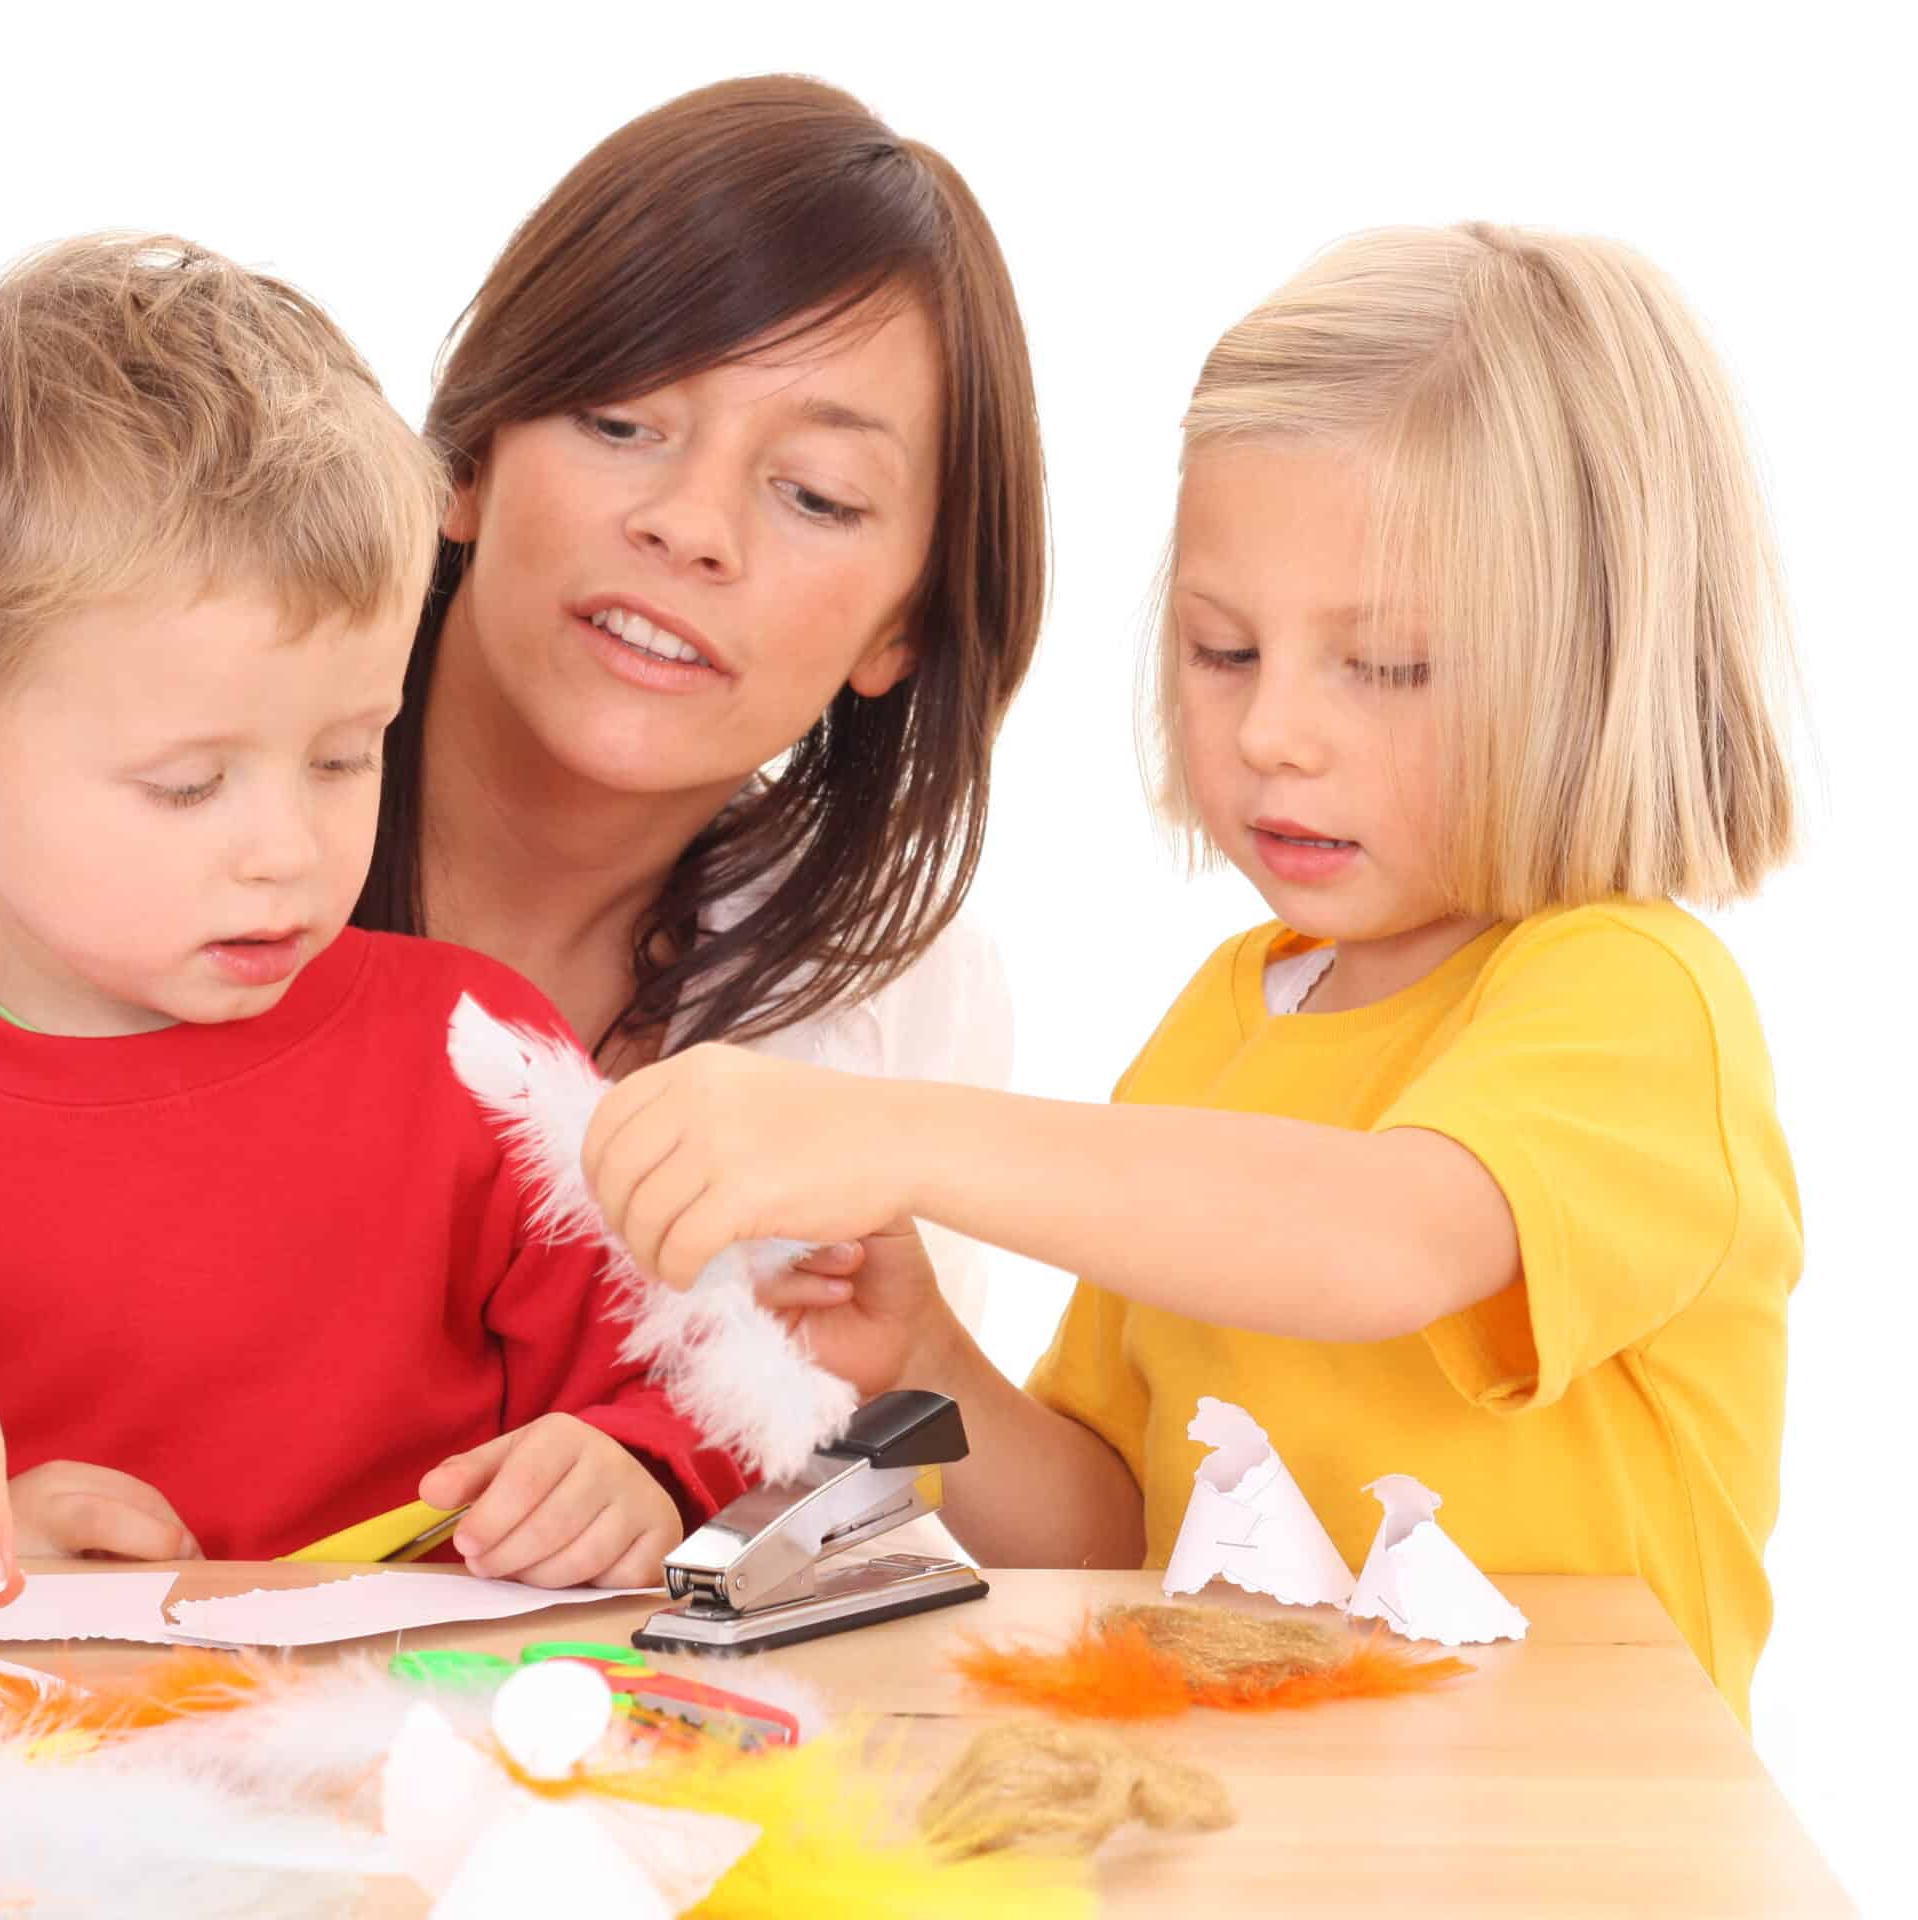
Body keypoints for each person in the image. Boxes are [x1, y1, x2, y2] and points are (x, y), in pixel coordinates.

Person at [0, 76, 1043, 1621]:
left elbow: (785, 1467)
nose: (695, 526)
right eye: (622, 419)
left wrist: (638, 1471)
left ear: (912, 613)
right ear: (463, 465)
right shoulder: (46, 750)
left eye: (822, 493)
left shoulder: (851, 994)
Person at [585, 223, 1804, 1723]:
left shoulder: (1629, 995)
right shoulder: (1231, 1016)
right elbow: (1117, 1535)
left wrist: (887, 1133)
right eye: (1224, 652)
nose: (1273, 730)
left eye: (1388, 666)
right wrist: (926, 1353)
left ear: (1597, 664)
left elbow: (1385, 1245)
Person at [0, 232, 737, 1608]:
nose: (287, 851)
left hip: (412, 1787)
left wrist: (630, 1472)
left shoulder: (480, 1056)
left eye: (350, 754)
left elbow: (692, 1383)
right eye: (188, 785)